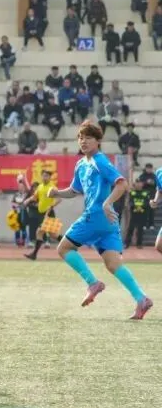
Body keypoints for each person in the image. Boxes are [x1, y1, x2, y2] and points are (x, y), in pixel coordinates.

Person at [47, 122, 152, 319]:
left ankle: (92, 283)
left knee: (64, 248)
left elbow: (122, 184)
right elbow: (74, 191)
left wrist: (106, 203)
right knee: (113, 264)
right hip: (108, 222)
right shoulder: (81, 164)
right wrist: (57, 193)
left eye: (88, 138)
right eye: (81, 138)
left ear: (98, 141)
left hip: (95, 215)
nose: (83, 141)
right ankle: (141, 299)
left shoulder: (99, 161)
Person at [124, 179, 151, 250]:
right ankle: (126, 243)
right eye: (137, 183)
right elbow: (130, 202)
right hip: (133, 214)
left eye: (140, 183)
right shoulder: (132, 193)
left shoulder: (146, 193)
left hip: (142, 214)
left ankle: (139, 244)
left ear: (142, 184)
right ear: (135, 184)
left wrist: (141, 207)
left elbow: (147, 203)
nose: (138, 184)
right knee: (130, 228)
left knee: (140, 229)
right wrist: (135, 206)